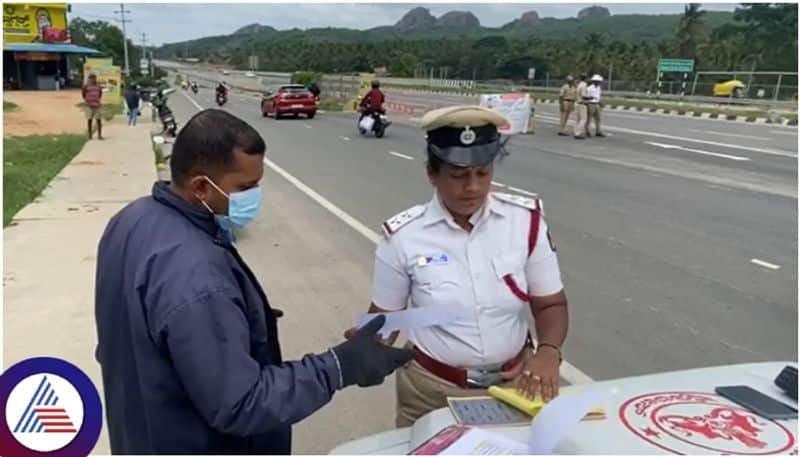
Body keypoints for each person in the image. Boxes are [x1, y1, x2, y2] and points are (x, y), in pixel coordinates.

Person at [94, 109, 413, 454]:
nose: (255, 196)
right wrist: (338, 366)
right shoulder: (197, 276)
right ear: (201, 186)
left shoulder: (132, 220)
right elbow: (240, 402)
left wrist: (243, 319)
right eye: (245, 187)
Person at [347, 105, 569, 427]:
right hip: (431, 393)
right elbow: (388, 319)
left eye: (483, 173)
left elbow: (550, 303)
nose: (474, 187)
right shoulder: (404, 237)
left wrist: (549, 352)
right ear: (432, 174)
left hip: (515, 387)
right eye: (458, 175)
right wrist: (364, 345)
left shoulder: (526, 223)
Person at [82, 73, 103, 140]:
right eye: (91, 78)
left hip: (97, 105)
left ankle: (99, 135)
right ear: (89, 79)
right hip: (88, 105)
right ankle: (90, 135)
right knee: (89, 120)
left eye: (93, 78)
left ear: (95, 78)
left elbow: (100, 94)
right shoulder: (86, 86)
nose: (92, 80)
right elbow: (83, 94)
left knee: (98, 120)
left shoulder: (98, 86)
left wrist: (96, 100)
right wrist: (88, 100)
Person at [574, 73, 589, 140]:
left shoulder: (579, 84)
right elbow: (583, 96)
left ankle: (576, 132)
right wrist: (590, 98)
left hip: (577, 102)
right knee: (583, 119)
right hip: (582, 103)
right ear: (586, 78)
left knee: (577, 119)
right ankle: (578, 133)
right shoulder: (584, 85)